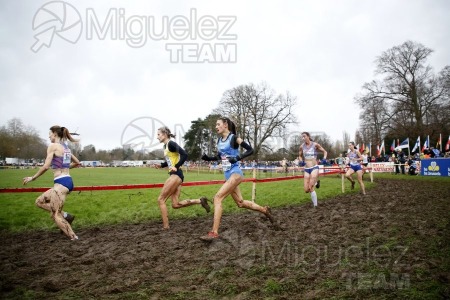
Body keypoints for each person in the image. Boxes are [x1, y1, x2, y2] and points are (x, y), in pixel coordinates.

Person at [200, 117, 274, 241]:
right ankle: (264, 210)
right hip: (228, 175)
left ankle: (214, 232)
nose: (216, 127)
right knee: (240, 203)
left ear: (225, 125)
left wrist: (238, 158)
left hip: (236, 174)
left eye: (218, 124)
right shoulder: (219, 140)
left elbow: (250, 150)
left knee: (217, 198)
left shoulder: (233, 138)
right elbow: (220, 156)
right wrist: (209, 158)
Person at [22, 125, 80, 240]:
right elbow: (77, 162)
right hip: (67, 181)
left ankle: (73, 237)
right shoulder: (66, 148)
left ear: (54, 133)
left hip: (61, 183)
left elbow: (46, 166)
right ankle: (66, 215)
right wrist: (64, 168)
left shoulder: (52, 146)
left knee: (55, 215)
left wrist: (32, 178)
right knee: (39, 201)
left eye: (49, 134)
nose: (48, 136)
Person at [154, 126, 211, 230]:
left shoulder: (171, 144)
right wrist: (161, 165)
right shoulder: (166, 146)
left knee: (161, 200)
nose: (157, 137)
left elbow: (184, 154)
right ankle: (200, 201)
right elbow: (170, 161)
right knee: (175, 204)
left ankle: (166, 226)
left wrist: (176, 167)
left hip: (176, 175)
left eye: (158, 134)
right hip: (175, 175)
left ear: (165, 134)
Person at [297, 132, 328, 208]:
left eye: (304, 136)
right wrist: (301, 161)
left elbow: (325, 152)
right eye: (302, 137)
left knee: (311, 187)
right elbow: (300, 156)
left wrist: (324, 158)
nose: (303, 138)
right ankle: (316, 183)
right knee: (306, 190)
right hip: (307, 169)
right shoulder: (301, 147)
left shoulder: (315, 145)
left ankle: (315, 206)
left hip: (314, 167)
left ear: (308, 136)